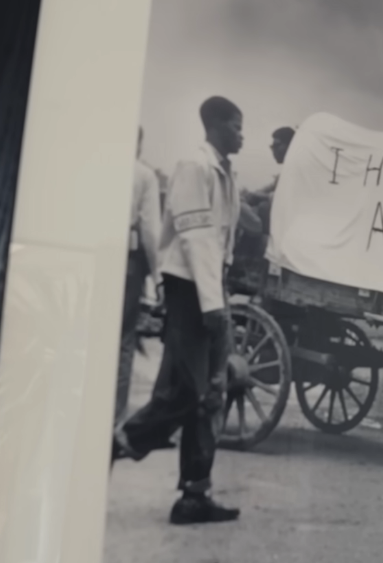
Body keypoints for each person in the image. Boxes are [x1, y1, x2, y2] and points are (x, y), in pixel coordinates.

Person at [114, 96, 244, 525]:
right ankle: (121, 443)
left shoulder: (226, 172)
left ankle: (193, 496)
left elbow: (219, 242)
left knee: (207, 392)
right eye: (236, 126)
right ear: (216, 125)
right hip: (191, 288)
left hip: (208, 285)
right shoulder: (195, 166)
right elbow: (196, 239)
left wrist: (217, 293)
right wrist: (212, 304)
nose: (242, 135)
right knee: (191, 393)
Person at [113, 128, 162, 428]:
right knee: (123, 340)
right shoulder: (143, 176)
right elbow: (150, 231)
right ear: (139, 143)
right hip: (128, 264)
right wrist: (158, 277)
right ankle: (115, 415)